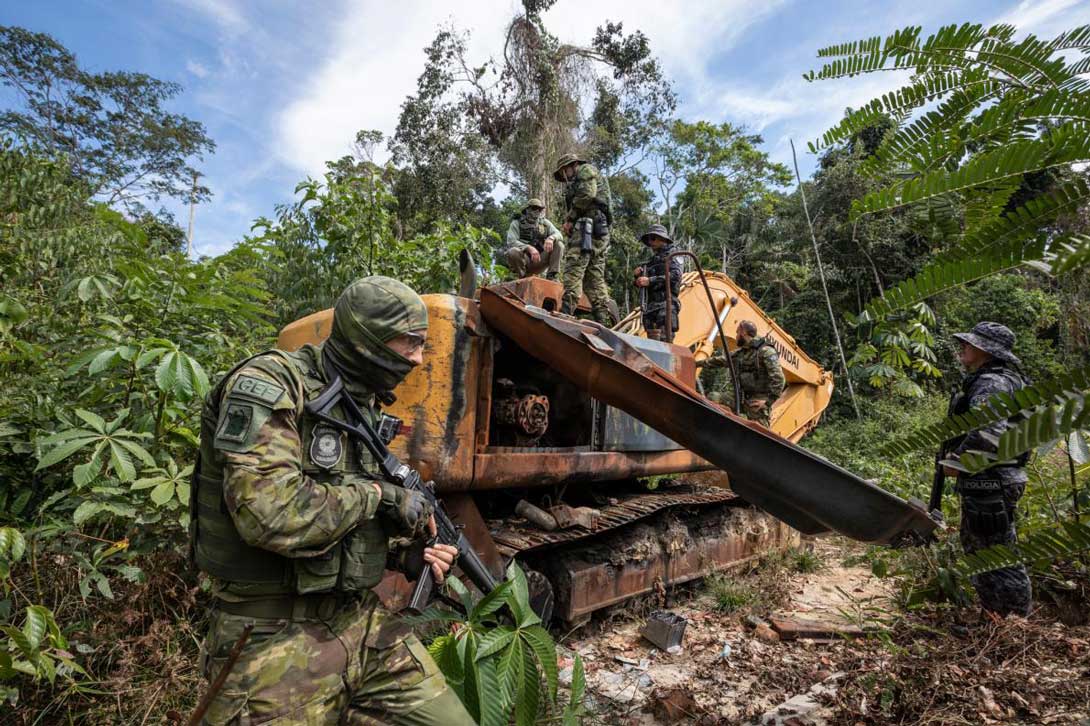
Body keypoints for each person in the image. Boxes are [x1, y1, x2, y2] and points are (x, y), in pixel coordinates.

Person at [191, 276, 476, 724]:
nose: (419, 359)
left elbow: (346, 518)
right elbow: (269, 514)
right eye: (409, 344)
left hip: (361, 622)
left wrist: (407, 559)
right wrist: (380, 497)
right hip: (273, 634)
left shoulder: (362, 407)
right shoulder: (271, 382)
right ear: (367, 340)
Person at [942, 321, 1032, 617]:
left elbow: (989, 431)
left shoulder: (993, 382)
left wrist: (958, 461)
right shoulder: (1005, 379)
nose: (963, 348)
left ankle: (1013, 624)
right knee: (986, 552)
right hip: (996, 478)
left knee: (996, 555)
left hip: (992, 479)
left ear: (985, 351)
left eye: (969, 344)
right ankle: (996, 619)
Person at [553, 152, 614, 325]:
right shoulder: (578, 180)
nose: (564, 176)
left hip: (588, 227)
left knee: (574, 267)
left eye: (564, 170)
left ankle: (565, 314)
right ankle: (604, 322)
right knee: (593, 278)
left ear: (571, 165)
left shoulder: (585, 170)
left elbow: (587, 194)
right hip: (598, 230)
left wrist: (570, 219)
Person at [703, 320, 785, 426]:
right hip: (740, 398)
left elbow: (779, 379)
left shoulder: (766, 352)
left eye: (737, 333)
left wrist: (768, 402)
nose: (736, 336)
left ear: (743, 332)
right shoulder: (741, 353)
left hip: (757, 401)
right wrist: (695, 362)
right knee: (714, 397)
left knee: (758, 432)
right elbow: (720, 361)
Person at [633, 223, 682, 342]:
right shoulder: (650, 262)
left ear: (663, 239)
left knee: (665, 343)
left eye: (653, 238)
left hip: (665, 305)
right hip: (650, 307)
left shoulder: (673, 256)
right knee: (652, 345)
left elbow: (676, 276)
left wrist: (650, 280)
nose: (650, 242)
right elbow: (642, 286)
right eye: (649, 239)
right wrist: (637, 278)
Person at [503, 198, 565, 279]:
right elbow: (511, 241)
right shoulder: (517, 223)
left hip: (540, 260)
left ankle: (552, 275)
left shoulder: (544, 223)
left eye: (540, 209)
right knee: (512, 251)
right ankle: (523, 276)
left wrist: (551, 238)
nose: (537, 211)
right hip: (524, 261)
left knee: (559, 244)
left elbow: (559, 234)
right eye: (534, 208)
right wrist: (529, 248)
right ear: (527, 209)